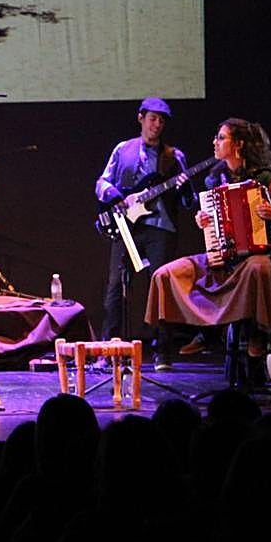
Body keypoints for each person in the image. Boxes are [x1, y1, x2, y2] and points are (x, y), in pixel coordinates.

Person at [145, 118, 271, 376]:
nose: (215, 142)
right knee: (165, 275)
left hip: (256, 256)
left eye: (221, 138)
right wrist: (205, 220)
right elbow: (215, 224)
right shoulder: (216, 180)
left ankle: (256, 346)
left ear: (239, 144)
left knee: (259, 269)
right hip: (224, 258)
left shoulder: (264, 179)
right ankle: (200, 332)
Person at [94, 97, 194, 369]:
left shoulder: (175, 156)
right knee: (115, 286)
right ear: (141, 118)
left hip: (161, 228)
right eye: (152, 118)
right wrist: (115, 196)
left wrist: (185, 188)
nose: (157, 124)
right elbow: (102, 182)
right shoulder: (122, 149)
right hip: (127, 226)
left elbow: (189, 202)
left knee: (160, 287)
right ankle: (109, 348)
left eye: (162, 121)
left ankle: (163, 350)